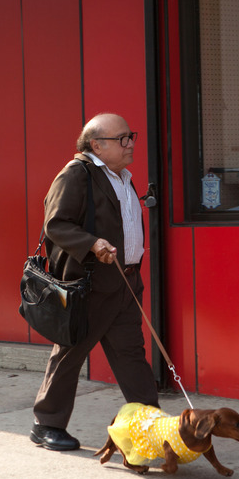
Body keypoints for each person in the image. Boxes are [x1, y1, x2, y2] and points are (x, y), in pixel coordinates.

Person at [30, 113, 160, 451]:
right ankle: (47, 425)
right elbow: (56, 224)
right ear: (96, 145)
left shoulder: (122, 176)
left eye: (130, 136)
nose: (130, 143)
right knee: (71, 353)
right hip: (88, 283)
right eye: (122, 139)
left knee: (131, 354)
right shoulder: (76, 174)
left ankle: (152, 425)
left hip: (126, 282)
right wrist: (92, 243)